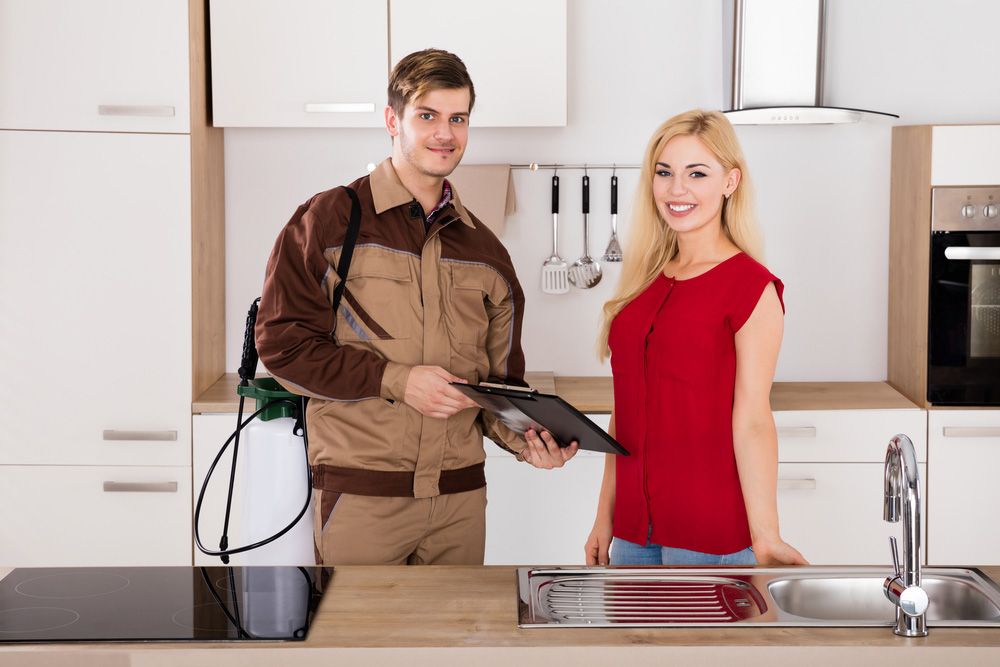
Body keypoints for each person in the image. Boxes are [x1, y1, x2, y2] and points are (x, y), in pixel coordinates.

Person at [255, 49, 577, 566]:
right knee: (359, 647)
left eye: (458, 118)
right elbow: (282, 346)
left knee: (454, 649)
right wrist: (397, 381)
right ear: (392, 120)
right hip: (362, 499)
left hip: (460, 502)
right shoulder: (330, 219)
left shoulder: (486, 251)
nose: (444, 133)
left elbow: (497, 388)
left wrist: (531, 441)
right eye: (427, 116)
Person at [582, 109, 807, 567]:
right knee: (633, 641)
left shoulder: (751, 288)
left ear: (730, 182)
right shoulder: (643, 284)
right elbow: (623, 417)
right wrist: (603, 516)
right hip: (632, 533)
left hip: (710, 533)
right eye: (664, 173)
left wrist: (766, 535)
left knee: (702, 642)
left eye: (696, 173)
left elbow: (753, 420)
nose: (676, 189)